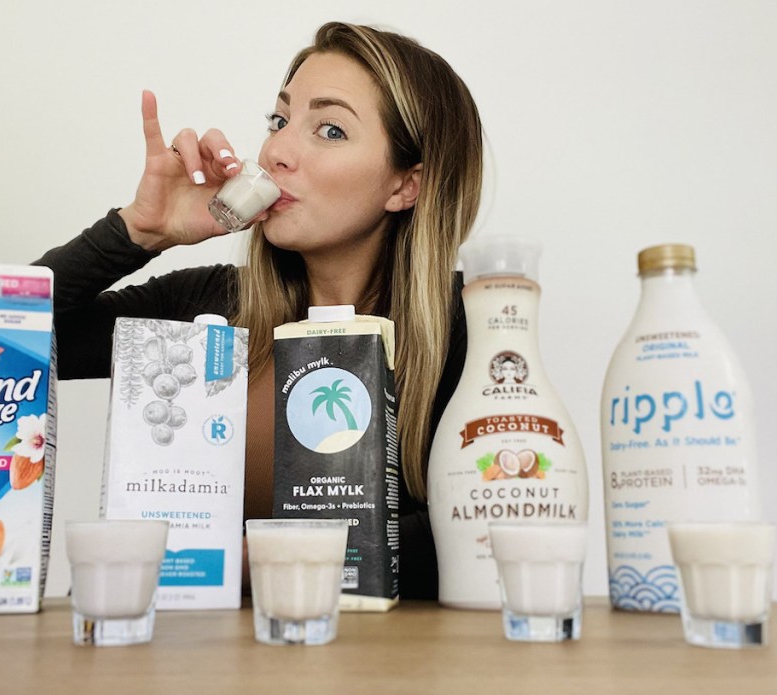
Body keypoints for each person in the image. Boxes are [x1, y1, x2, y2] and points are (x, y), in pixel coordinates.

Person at [35, 21, 483, 599]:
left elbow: (475, 535)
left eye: (329, 129)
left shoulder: (466, 326)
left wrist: (250, 559)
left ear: (405, 185)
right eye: (278, 121)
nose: (275, 151)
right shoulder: (210, 309)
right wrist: (138, 232)